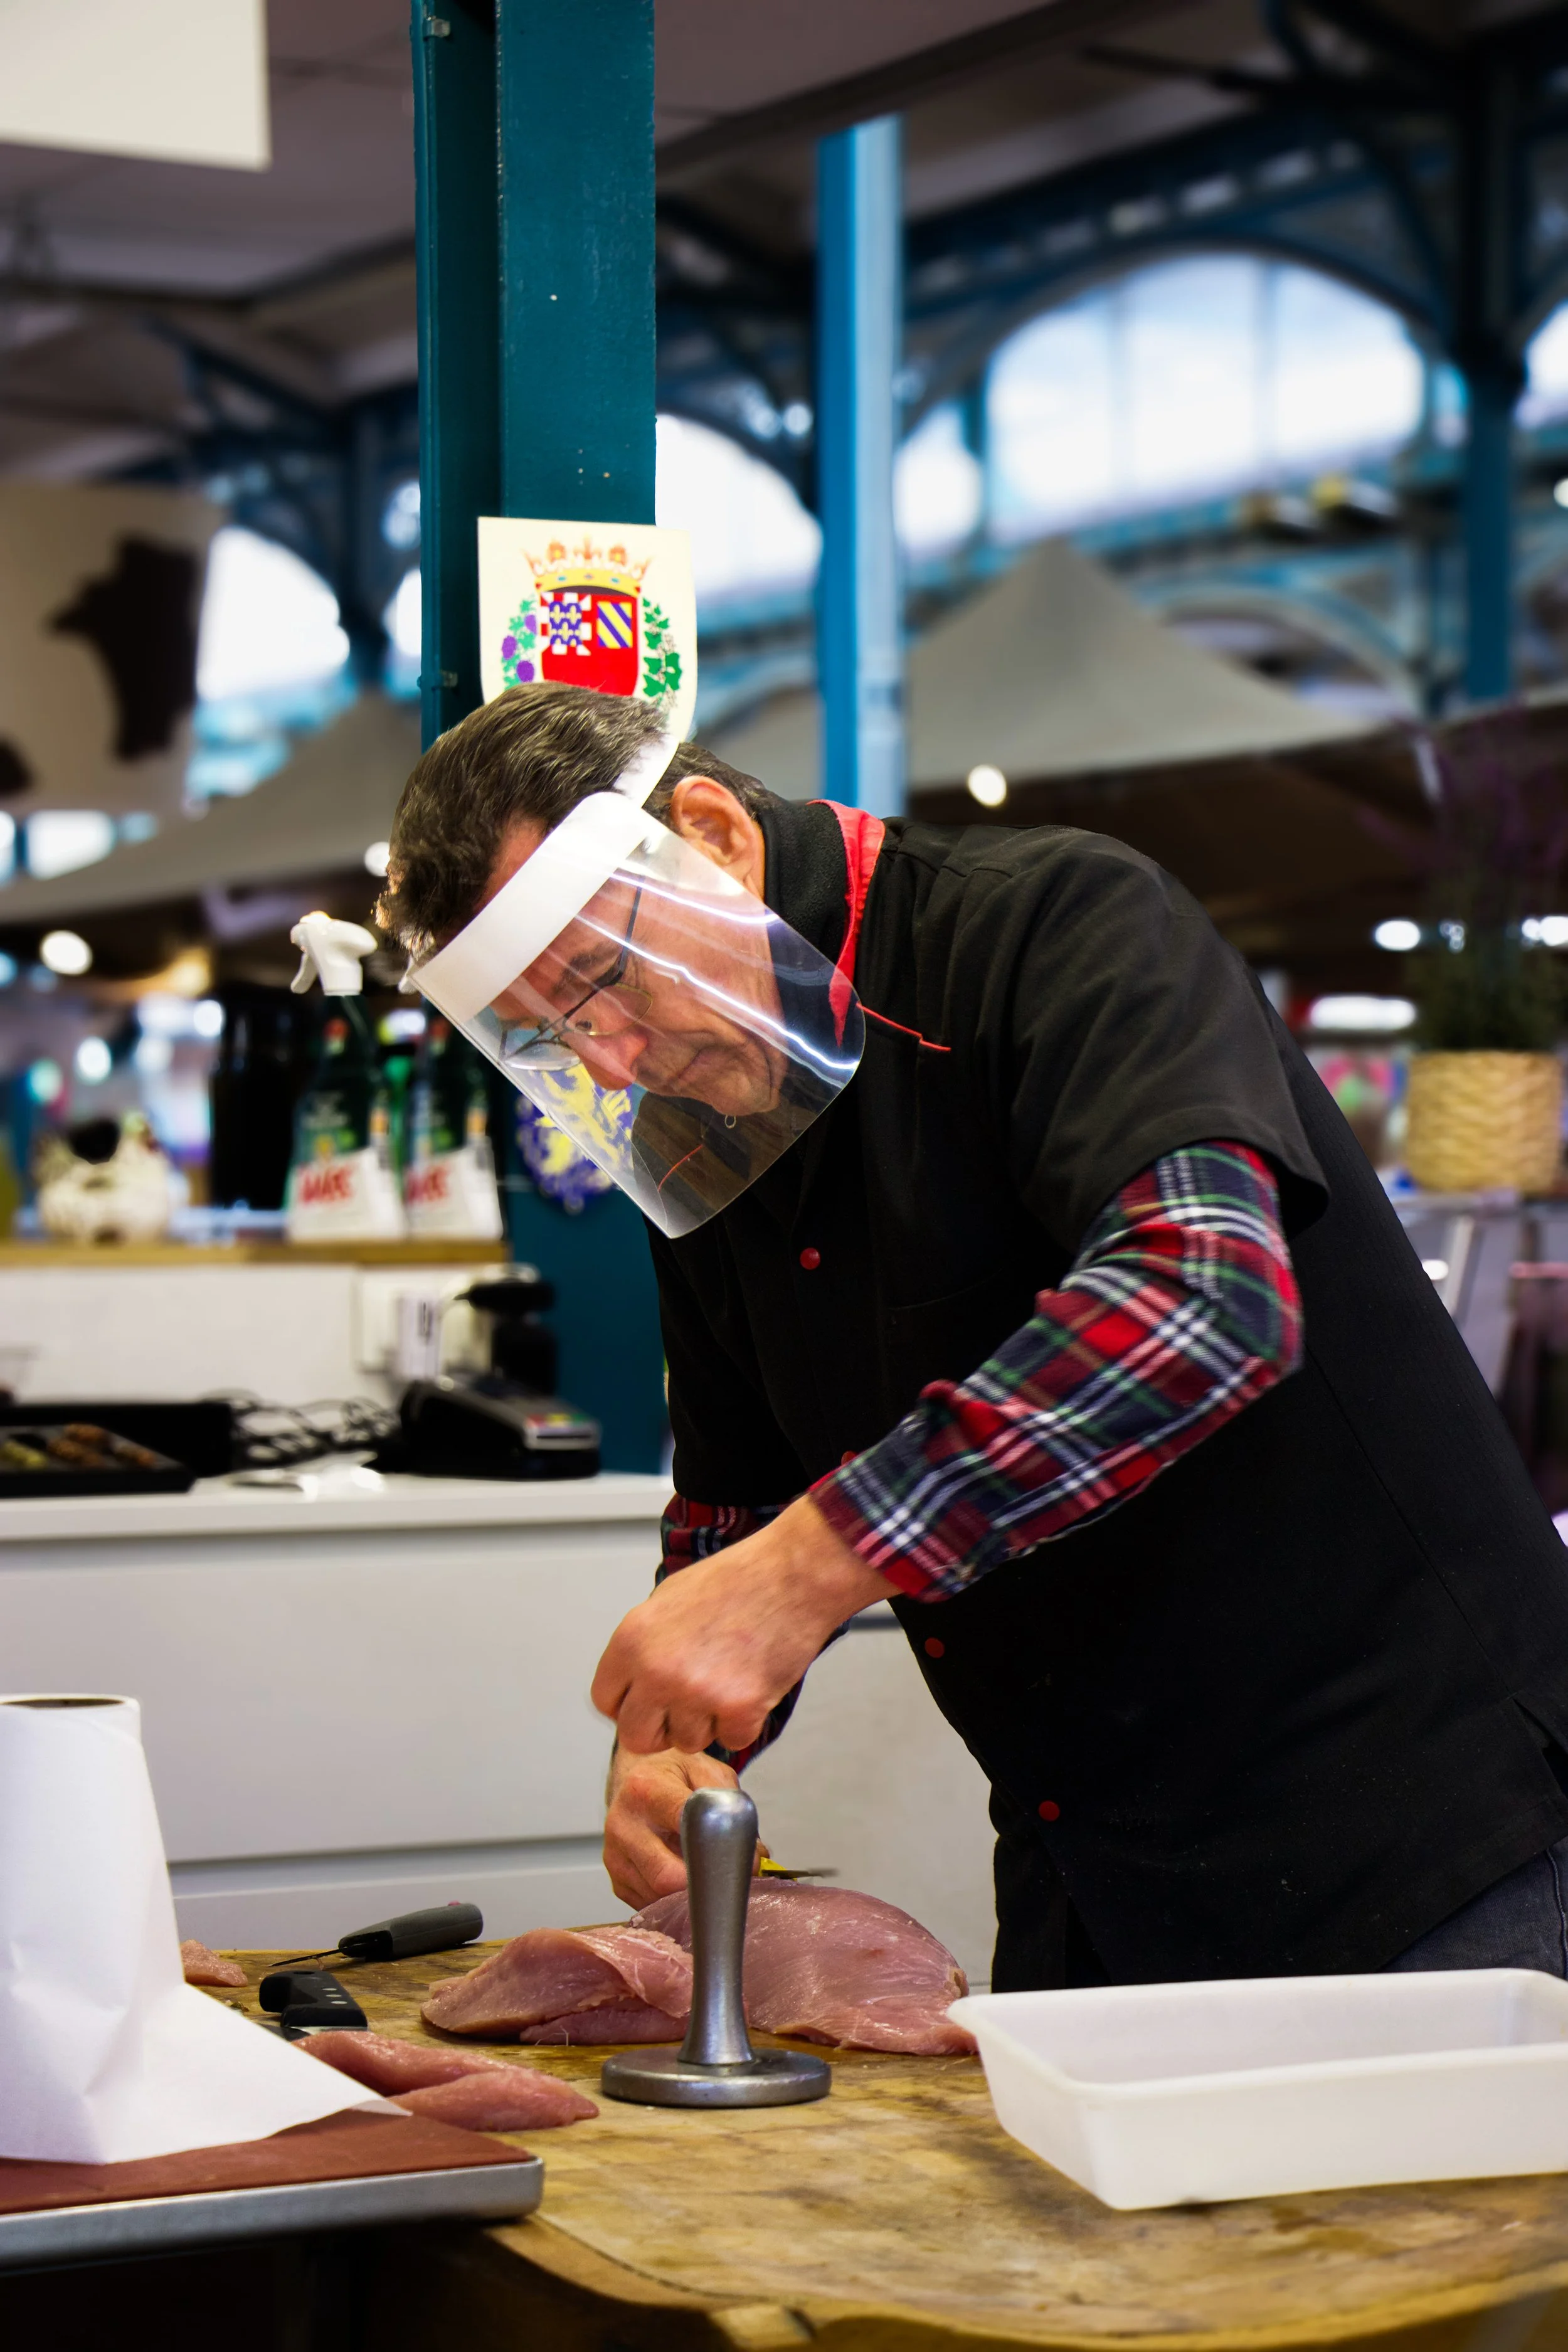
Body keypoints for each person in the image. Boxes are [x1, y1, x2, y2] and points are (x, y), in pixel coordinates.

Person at [381, 681, 1568, 1987]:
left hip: (1423, 1829)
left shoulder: (1054, 925)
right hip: (1089, 1855)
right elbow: (736, 1498)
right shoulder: (695, 1119)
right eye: (556, 1034)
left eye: (604, 983)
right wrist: (683, 1728)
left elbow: (1200, 1298)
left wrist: (801, 1572)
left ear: (711, 834)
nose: (607, 1064)